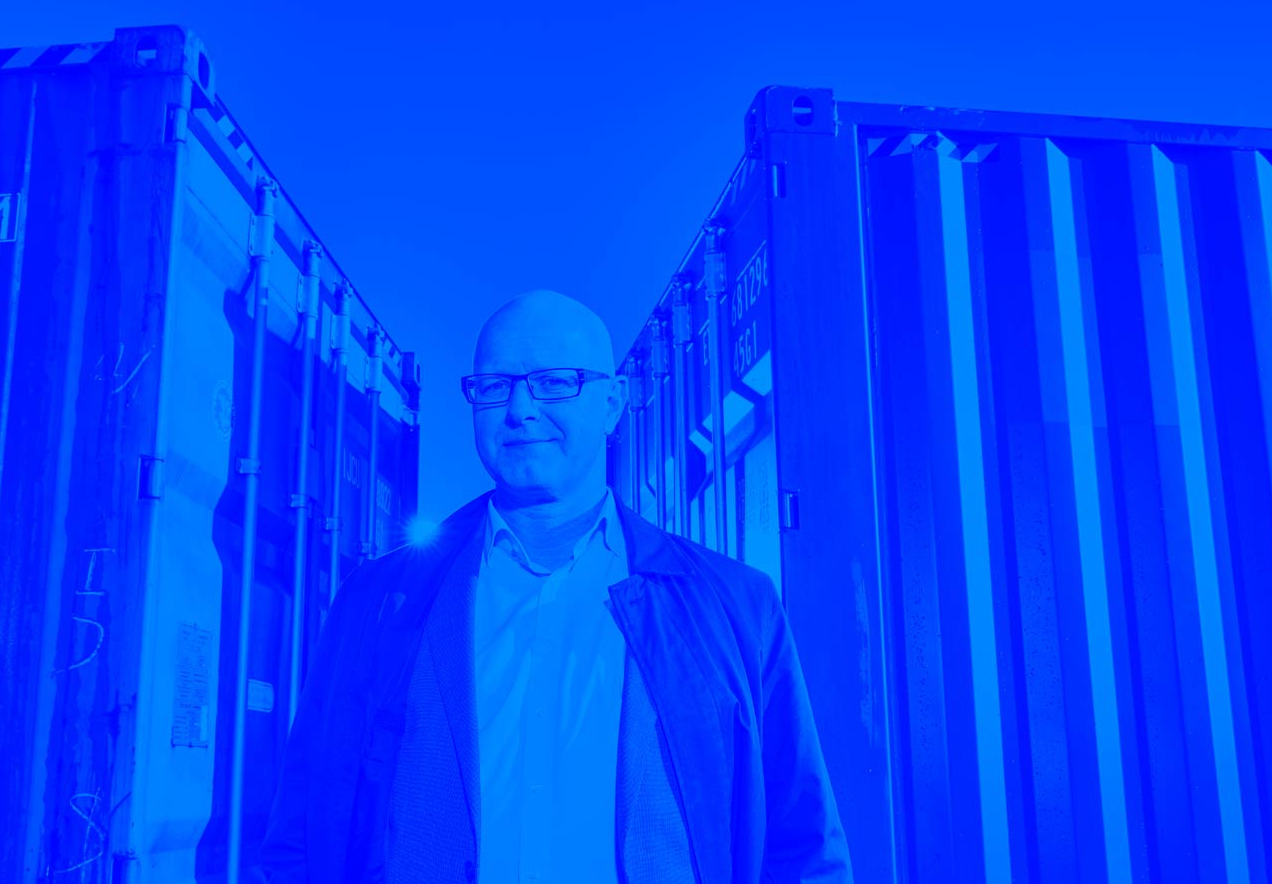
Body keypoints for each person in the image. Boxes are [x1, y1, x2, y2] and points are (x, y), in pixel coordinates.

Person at [260, 290, 852, 883]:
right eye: (494, 386)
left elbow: (802, 849)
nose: (521, 409)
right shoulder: (378, 603)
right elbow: (302, 835)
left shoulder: (734, 608)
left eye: (555, 382)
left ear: (612, 403)